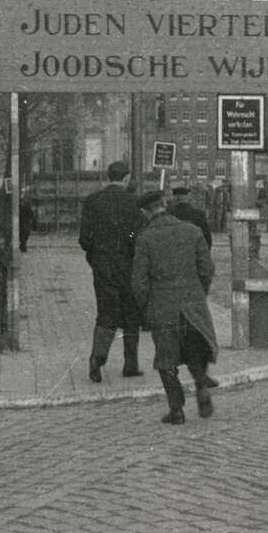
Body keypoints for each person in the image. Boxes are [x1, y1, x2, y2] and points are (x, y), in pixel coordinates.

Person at [132, 190, 218, 424]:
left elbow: (139, 283)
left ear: (145, 212)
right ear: (165, 205)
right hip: (193, 303)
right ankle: (201, 387)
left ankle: (176, 410)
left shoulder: (145, 238)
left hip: (162, 306)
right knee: (195, 351)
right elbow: (207, 269)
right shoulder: (193, 231)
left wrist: (146, 309)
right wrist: (199, 293)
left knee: (166, 359)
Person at [79, 160, 145, 382]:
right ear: (126, 178)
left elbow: (84, 239)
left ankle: (97, 359)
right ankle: (131, 363)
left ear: (109, 177)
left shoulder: (92, 202)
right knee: (131, 314)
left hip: (103, 264)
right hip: (128, 265)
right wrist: (127, 243)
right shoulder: (134, 203)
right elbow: (137, 236)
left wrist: (97, 257)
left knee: (106, 312)